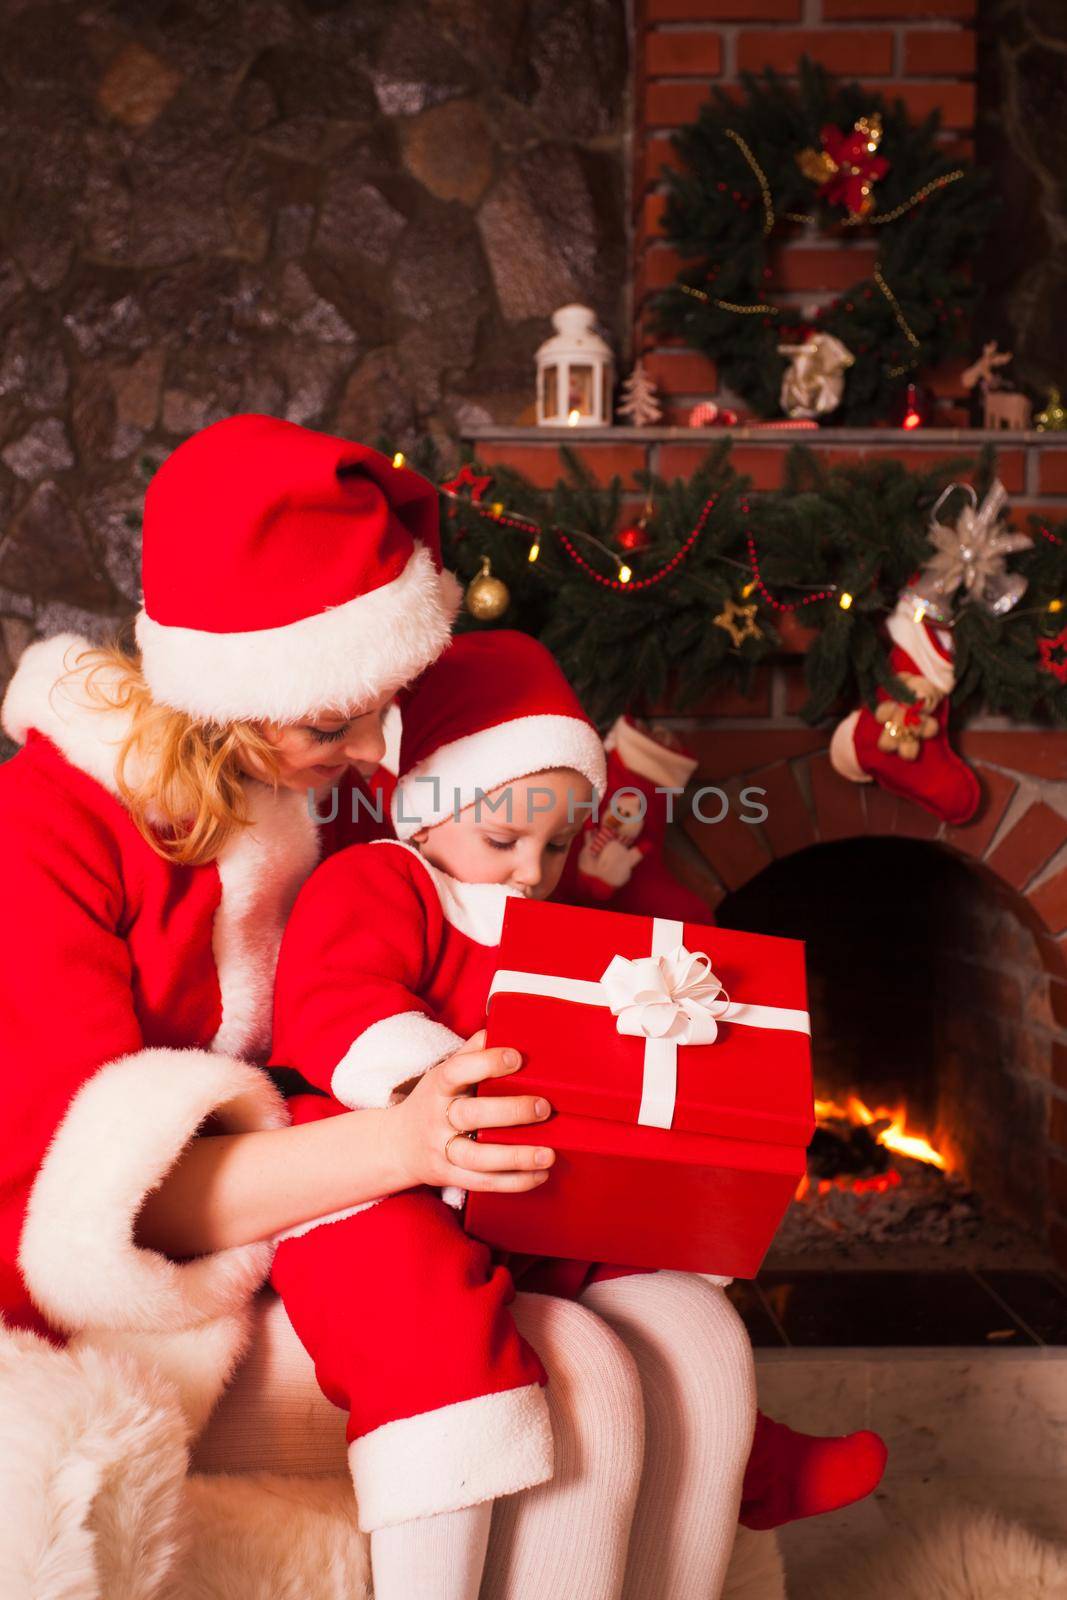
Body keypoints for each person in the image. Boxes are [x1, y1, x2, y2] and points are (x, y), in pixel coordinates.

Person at [268, 630, 885, 1600]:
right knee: (434, 1295)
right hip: (386, 1170)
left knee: (664, 1288)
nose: (529, 869)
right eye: (503, 837)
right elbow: (333, 1008)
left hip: (523, 1183)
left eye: (556, 845)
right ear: (426, 812)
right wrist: (431, 1075)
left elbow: (657, 990)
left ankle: (748, 1456)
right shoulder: (382, 881)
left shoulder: (560, 927)